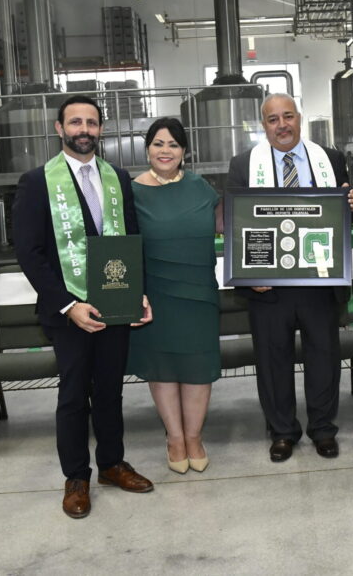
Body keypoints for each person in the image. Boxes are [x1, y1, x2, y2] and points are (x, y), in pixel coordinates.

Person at [13, 94, 153, 519]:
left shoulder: (117, 178)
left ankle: (111, 464)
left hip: (114, 304)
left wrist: (137, 292)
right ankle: (76, 477)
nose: (84, 130)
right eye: (75, 122)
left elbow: (131, 239)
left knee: (110, 390)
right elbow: (29, 253)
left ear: (101, 129)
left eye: (91, 123)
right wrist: (67, 304)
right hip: (67, 311)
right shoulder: (37, 182)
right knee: (74, 395)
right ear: (60, 129)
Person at [226, 93, 353, 463]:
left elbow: (340, 218)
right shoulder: (243, 164)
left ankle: (323, 429)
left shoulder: (330, 159)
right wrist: (247, 274)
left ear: (299, 118)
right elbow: (236, 223)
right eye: (273, 119)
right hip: (268, 284)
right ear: (263, 125)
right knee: (272, 361)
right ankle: (282, 431)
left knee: (324, 357)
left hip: (319, 278)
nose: (282, 125)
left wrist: (352, 207)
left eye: (288, 116)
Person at [128, 117, 223, 475]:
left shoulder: (201, 187)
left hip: (199, 293)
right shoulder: (131, 192)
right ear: (147, 149)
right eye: (158, 143)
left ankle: (194, 437)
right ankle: (175, 438)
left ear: (184, 151)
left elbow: (230, 225)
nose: (165, 150)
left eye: (173, 144)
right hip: (155, 294)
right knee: (163, 368)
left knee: (198, 368)